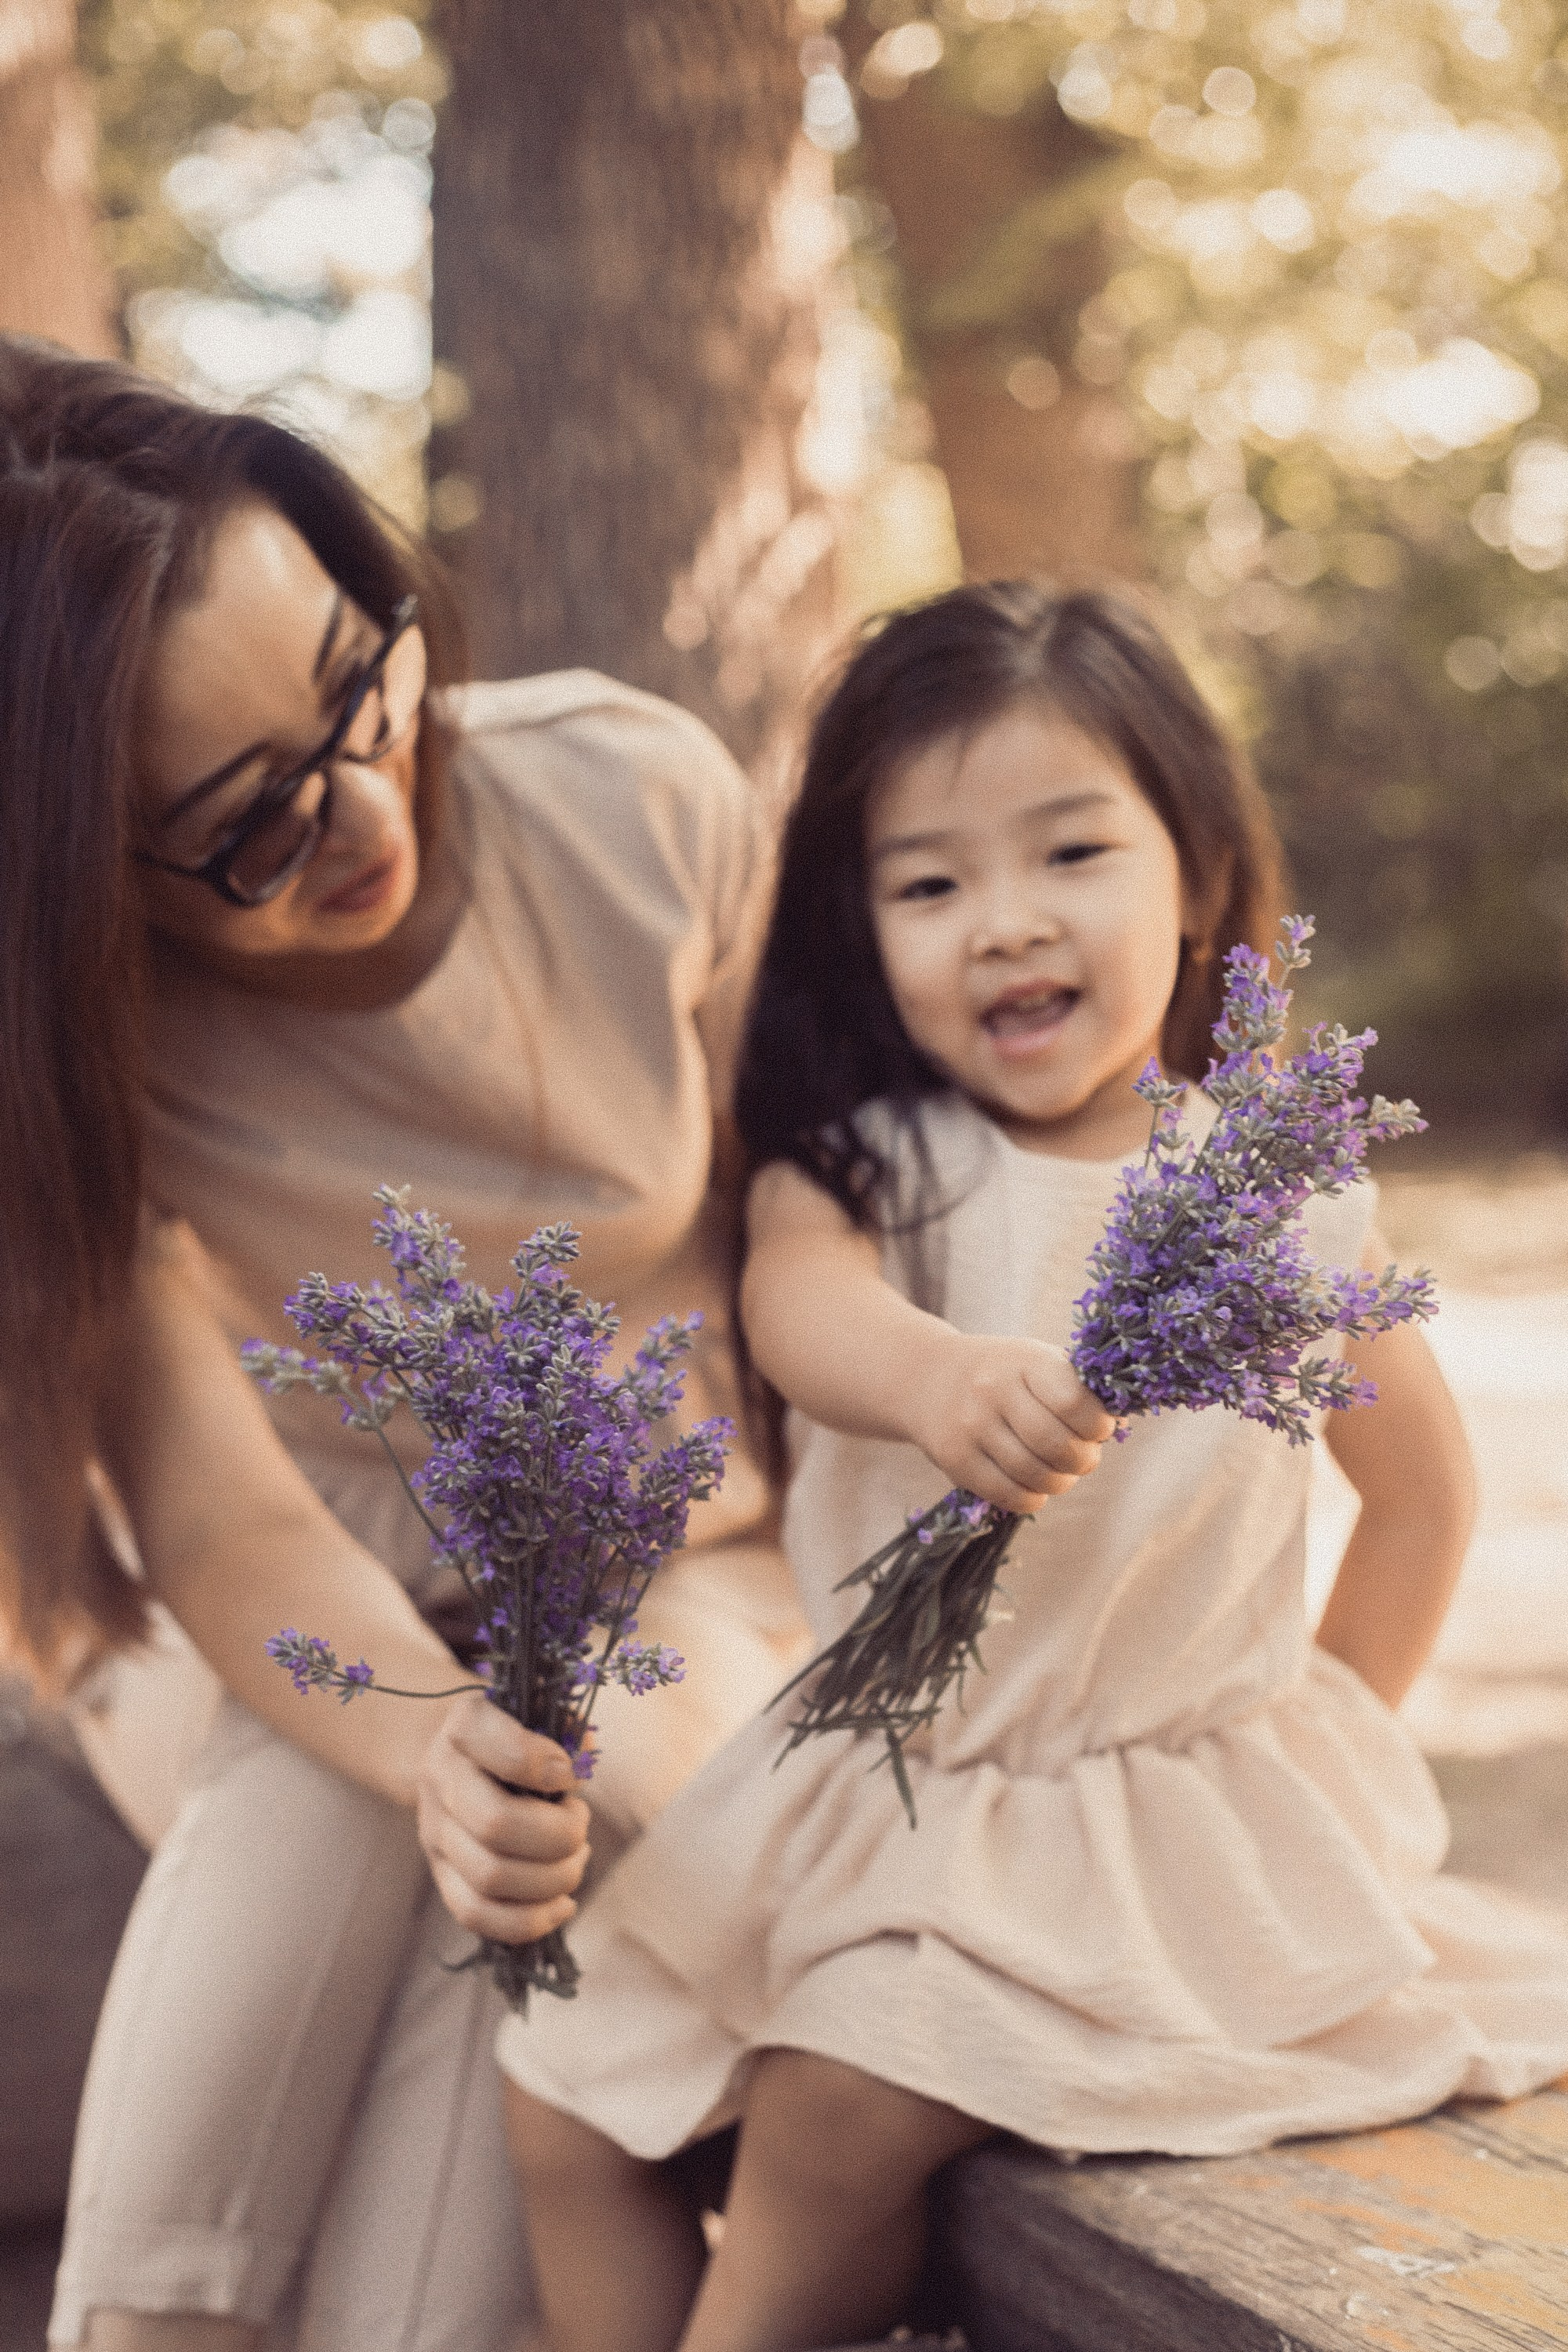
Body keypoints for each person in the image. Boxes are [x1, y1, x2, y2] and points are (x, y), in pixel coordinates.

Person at [493, 583, 1568, 2352]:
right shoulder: (859, 1169)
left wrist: (1300, 1757)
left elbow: (1426, 1491)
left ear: (1199, 872)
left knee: (833, 2118)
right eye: (928, 883)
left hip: (1148, 1838)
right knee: (560, 2084)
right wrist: (937, 1381)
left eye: (1068, 854)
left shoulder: (1266, 1190)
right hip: (879, 1805)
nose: (1001, 924)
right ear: (863, 925)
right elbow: (799, 1313)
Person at [0, 335, 808, 2352]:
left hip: (674, 1538)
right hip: (295, 1587)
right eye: (247, 819)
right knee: (362, 1819)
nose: (362, 806)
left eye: (362, 681)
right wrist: (426, 1736)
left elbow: (812, 1214)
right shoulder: (82, 1046)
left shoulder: (630, 793)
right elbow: (219, 1524)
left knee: (557, 1808)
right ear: (90, 860)